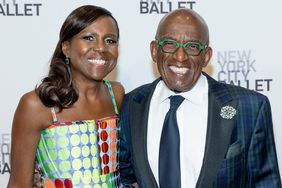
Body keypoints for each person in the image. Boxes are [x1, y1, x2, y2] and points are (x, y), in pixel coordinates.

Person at [119, 8, 281, 188]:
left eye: (192, 47)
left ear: (206, 56)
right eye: (170, 44)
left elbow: (266, 184)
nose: (180, 56)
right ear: (154, 51)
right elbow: (124, 177)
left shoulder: (250, 107)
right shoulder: (130, 106)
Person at [7, 5, 124, 188]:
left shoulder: (116, 95)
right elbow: (19, 184)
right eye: (89, 38)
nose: (101, 48)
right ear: (66, 48)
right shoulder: (37, 105)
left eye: (110, 40)